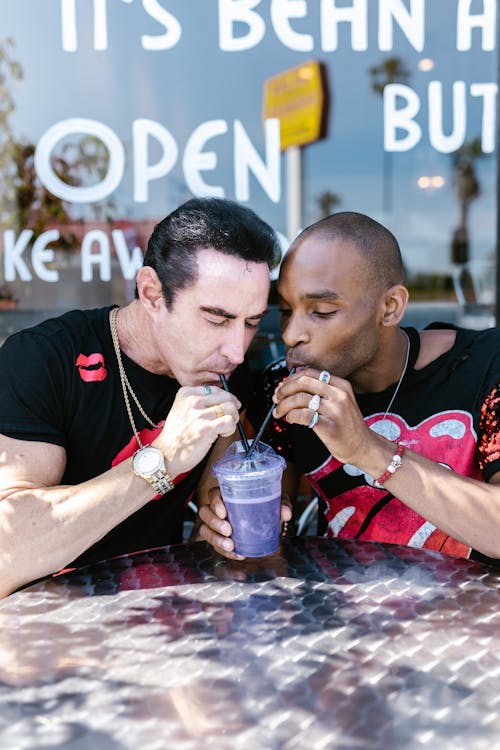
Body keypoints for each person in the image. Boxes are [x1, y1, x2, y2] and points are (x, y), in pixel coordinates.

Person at [0, 196, 285, 598]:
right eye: (216, 319)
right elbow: (6, 552)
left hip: (160, 622)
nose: (236, 350)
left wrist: (224, 525)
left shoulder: (220, 369)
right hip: (41, 633)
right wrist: (162, 460)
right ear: (152, 293)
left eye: (251, 323)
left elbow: (217, 500)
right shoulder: (42, 360)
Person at [198, 211, 500, 566]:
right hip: (343, 613)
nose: (290, 334)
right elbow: (243, 525)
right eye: (285, 310)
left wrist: (367, 449)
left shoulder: (484, 366)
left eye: (322, 311)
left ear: (390, 308)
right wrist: (226, 525)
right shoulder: (285, 388)